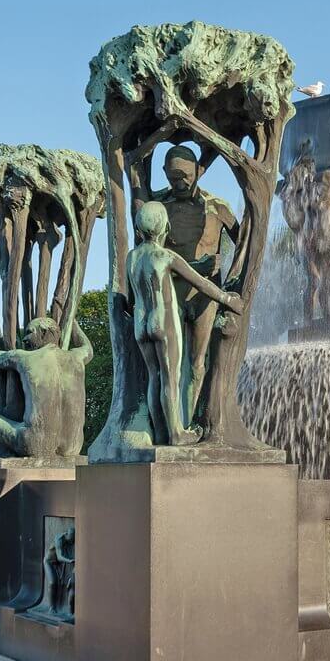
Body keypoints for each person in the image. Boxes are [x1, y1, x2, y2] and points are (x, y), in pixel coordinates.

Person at [126, 200, 243, 446]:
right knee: (171, 379)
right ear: (165, 227)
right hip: (163, 320)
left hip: (140, 323)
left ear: (138, 229)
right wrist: (227, 299)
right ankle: (177, 433)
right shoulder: (166, 255)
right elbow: (200, 282)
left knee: (154, 377)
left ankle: (161, 433)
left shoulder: (132, 257)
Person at [139, 145, 240, 416]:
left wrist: (233, 279)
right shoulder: (158, 209)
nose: (181, 182)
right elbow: (149, 258)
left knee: (197, 363)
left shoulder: (217, 207)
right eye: (174, 177)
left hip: (205, 298)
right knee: (168, 365)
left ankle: (191, 421)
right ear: (164, 173)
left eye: (186, 175)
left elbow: (244, 243)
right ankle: (171, 426)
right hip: (169, 295)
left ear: (198, 171)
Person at [0, 309, 93, 457]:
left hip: (33, 444)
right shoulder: (77, 358)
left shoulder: (25, 358)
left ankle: (4, 452)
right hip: (73, 447)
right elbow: (88, 348)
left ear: (44, 333)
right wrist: (73, 322)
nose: (24, 339)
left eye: (29, 332)